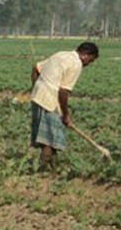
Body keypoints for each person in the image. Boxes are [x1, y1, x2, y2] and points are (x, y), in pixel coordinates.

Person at [29, 41, 100, 169]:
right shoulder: (76, 64)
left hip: (38, 97)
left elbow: (36, 68)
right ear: (86, 55)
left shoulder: (61, 55)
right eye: (91, 60)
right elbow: (63, 91)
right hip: (49, 102)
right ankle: (43, 171)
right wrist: (66, 114)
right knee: (49, 140)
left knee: (51, 137)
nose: (89, 64)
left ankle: (53, 167)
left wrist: (36, 87)